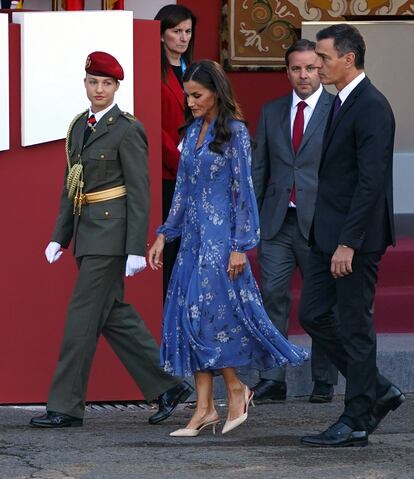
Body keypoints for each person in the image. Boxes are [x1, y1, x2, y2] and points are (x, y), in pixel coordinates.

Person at [30, 51, 192, 429]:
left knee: (80, 321)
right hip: (87, 234)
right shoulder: (77, 127)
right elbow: (73, 187)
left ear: (118, 87)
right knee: (113, 315)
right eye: (93, 82)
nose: (99, 89)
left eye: (106, 83)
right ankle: (168, 386)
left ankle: (66, 407)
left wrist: (136, 245)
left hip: (111, 237)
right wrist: (60, 236)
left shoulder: (127, 128)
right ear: (85, 83)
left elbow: (140, 190)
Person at [148, 60, 309, 437]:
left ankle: (234, 389)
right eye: (188, 95)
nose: (189, 102)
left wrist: (240, 245)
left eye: (197, 95)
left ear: (216, 94)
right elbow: (183, 192)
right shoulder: (190, 133)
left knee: (209, 316)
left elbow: (244, 192)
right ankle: (205, 408)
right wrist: (162, 234)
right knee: (192, 316)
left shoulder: (234, 133)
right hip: (192, 239)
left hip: (221, 241)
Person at [299, 24, 405, 447]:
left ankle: (357, 418)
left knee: (354, 326)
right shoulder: (341, 102)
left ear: (348, 58)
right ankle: (376, 389)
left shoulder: (372, 106)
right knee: (313, 314)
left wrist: (349, 242)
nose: (317, 65)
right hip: (328, 235)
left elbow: (371, 181)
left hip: (354, 240)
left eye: (323, 58)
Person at [252, 39, 338, 404]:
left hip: (319, 222)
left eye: (310, 67)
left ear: (320, 68)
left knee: (322, 304)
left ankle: (324, 379)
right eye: (296, 69)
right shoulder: (271, 111)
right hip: (276, 221)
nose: (303, 75)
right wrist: (249, 220)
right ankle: (273, 378)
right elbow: (260, 168)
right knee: (272, 296)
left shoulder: (337, 110)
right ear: (287, 71)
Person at [154, 4, 196, 301]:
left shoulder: (194, 71)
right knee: (170, 246)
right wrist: (181, 161)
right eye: (176, 31)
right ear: (161, 34)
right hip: (168, 172)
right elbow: (153, 127)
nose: (183, 38)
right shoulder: (152, 72)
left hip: (197, 170)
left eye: (188, 32)